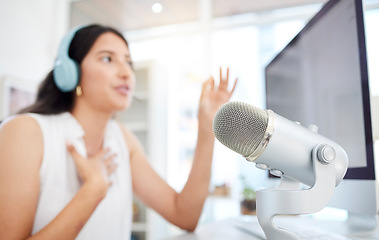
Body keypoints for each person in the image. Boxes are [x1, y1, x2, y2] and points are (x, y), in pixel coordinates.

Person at [0, 24, 237, 240]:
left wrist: (207, 127)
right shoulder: (24, 132)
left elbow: (184, 214)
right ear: (71, 72)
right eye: (107, 59)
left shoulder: (122, 139)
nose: (125, 72)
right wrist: (93, 189)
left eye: (128, 62)